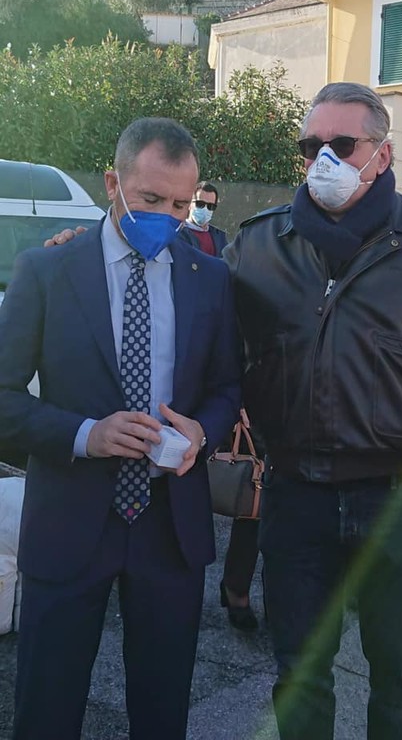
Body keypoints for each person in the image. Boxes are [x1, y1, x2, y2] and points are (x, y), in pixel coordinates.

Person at [222, 83, 402, 740]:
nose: (322, 159)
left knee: (398, 679)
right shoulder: (260, 245)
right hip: (296, 498)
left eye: (341, 144)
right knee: (299, 675)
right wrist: (81, 248)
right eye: (310, 146)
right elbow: (196, 317)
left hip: (397, 498)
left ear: (382, 155)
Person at [0, 117, 241, 739]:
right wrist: (86, 434)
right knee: (46, 710)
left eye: (182, 205)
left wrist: (202, 435)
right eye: (151, 199)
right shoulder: (47, 271)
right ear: (113, 183)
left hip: (169, 525)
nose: (167, 217)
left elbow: (226, 388)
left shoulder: (210, 279)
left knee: (162, 713)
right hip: (69, 518)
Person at [180, 184, 261, 630]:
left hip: (277, 402)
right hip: (233, 396)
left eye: (211, 206)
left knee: (263, 500)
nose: (204, 211)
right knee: (243, 490)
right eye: (199, 203)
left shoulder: (224, 241)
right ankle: (232, 588)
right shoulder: (188, 244)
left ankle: (244, 590)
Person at [179, 180, 228, 256]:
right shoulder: (178, 234)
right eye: (200, 204)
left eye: (210, 206)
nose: (205, 209)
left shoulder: (220, 237)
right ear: (189, 204)